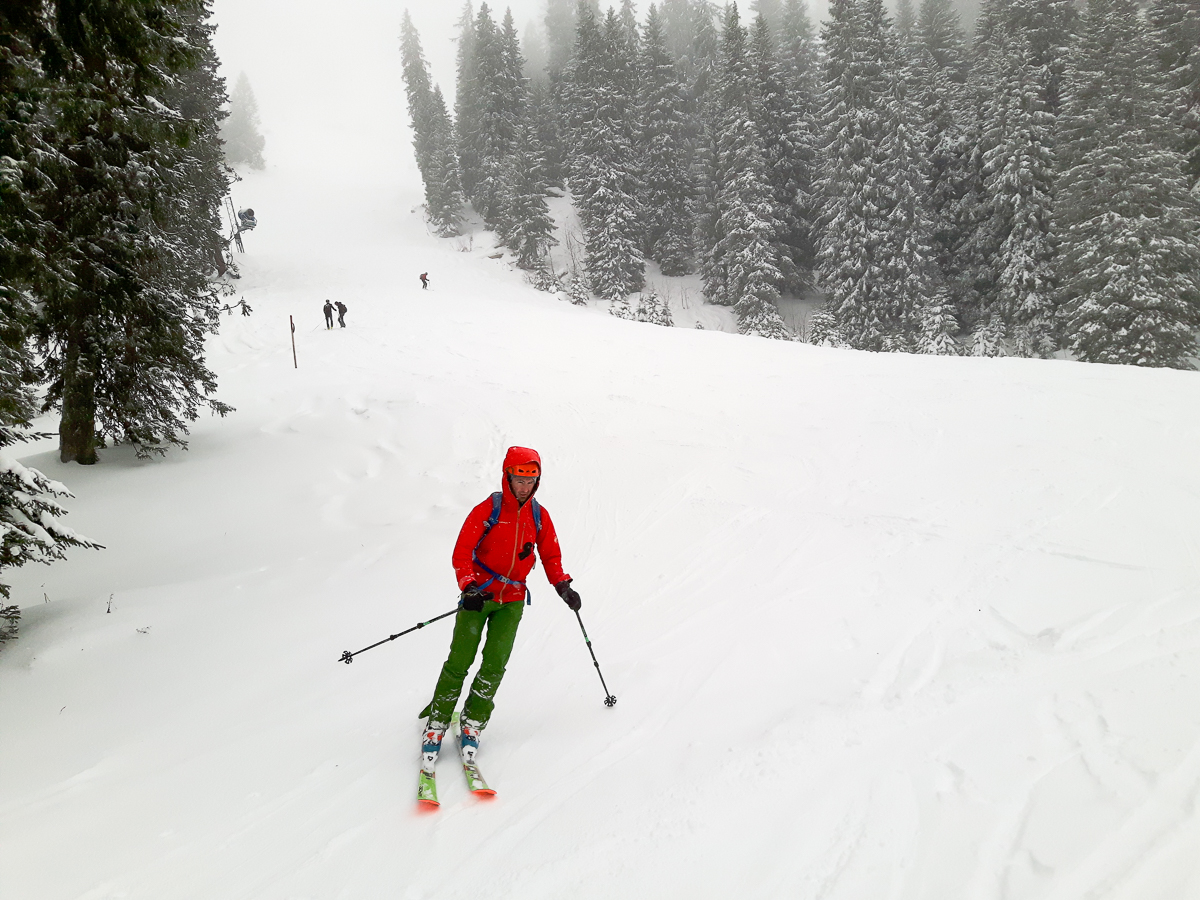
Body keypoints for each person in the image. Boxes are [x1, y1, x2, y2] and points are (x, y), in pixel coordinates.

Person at [419, 447, 582, 776]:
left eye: (530, 480)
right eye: (520, 479)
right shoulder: (488, 510)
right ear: (507, 476)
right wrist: (468, 586)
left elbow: (550, 555)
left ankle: (473, 722)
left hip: (512, 601)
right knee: (459, 661)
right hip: (478, 597)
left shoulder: (538, 516)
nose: (525, 486)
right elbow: (462, 552)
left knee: (495, 664)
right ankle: (437, 721)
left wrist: (562, 585)